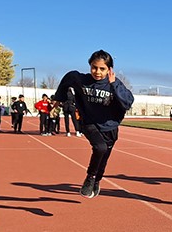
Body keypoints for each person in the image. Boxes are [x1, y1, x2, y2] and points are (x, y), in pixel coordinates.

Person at [53, 49, 135, 198]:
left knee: (103, 158)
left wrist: (113, 85)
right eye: (94, 67)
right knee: (100, 148)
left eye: (102, 69)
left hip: (110, 126)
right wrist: (59, 97)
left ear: (109, 70)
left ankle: (97, 180)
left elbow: (127, 102)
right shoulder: (81, 80)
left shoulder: (115, 84)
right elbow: (68, 77)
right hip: (89, 123)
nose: (97, 72)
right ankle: (90, 178)